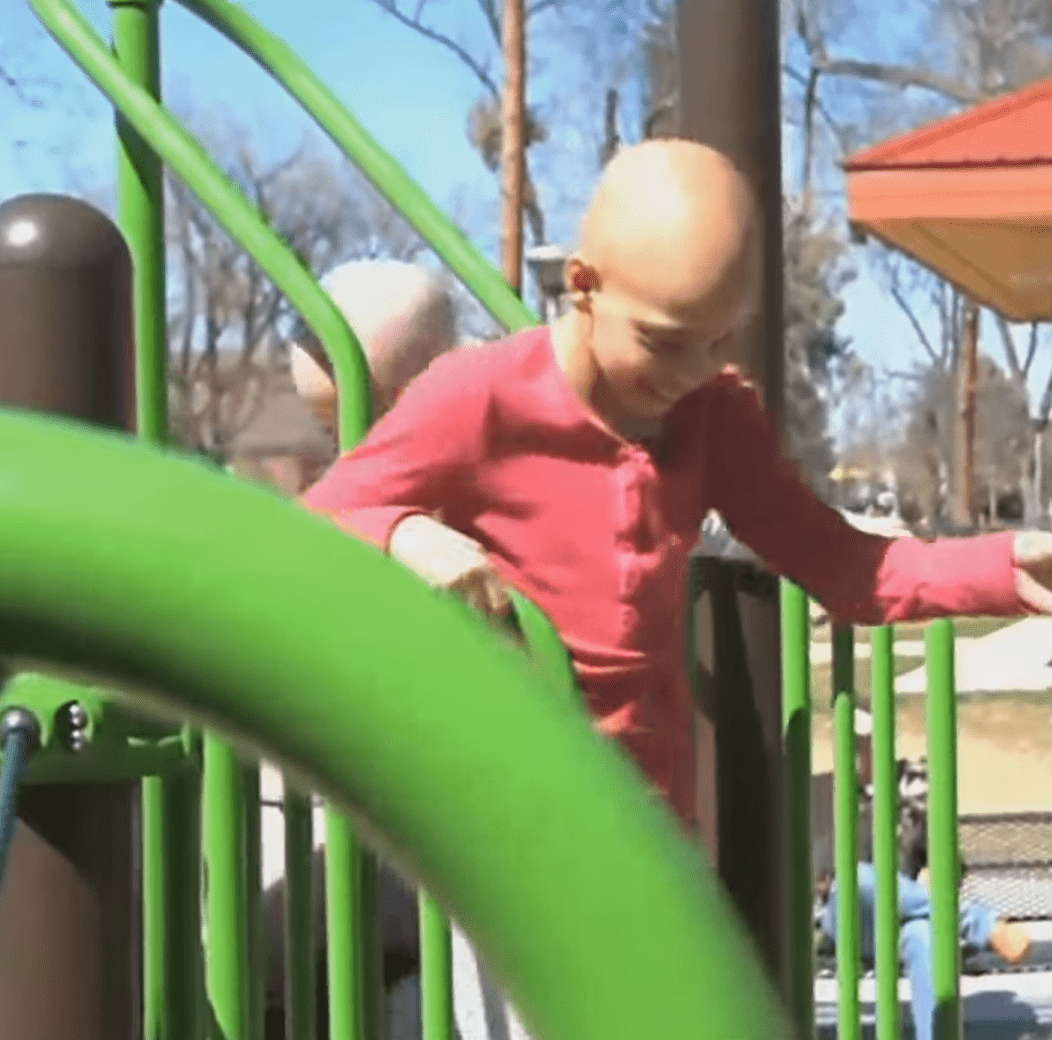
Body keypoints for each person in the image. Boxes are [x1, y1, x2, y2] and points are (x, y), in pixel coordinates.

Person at [299, 139, 1052, 1038]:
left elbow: (842, 565)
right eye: (664, 341)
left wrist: (1002, 565)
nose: (694, 370)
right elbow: (318, 520)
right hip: (506, 815)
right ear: (583, 283)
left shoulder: (713, 414)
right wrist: (405, 531)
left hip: (648, 820)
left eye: (716, 340)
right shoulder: (478, 400)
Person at [816, 710, 1031, 1040]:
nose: (861, 749)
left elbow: (949, 862)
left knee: (922, 935)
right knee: (855, 878)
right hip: (848, 918)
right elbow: (822, 877)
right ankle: (981, 924)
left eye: (867, 740)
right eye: (854, 741)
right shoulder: (826, 792)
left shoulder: (912, 786)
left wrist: (935, 872)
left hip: (904, 916)